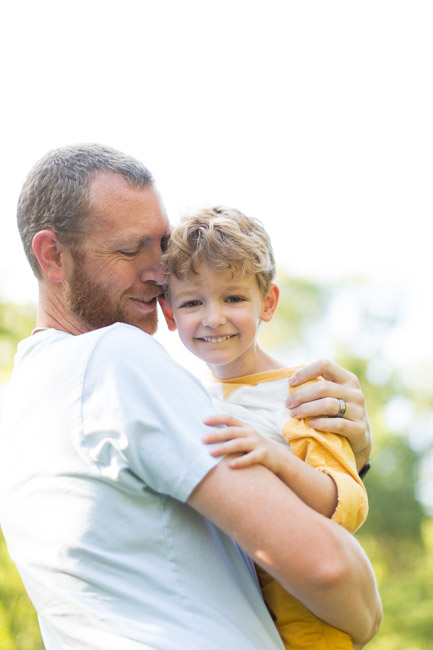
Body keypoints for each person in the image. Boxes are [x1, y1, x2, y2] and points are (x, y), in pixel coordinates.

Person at [0, 144, 381, 650]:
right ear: (52, 256)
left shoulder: (25, 401)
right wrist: (368, 611)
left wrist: (341, 454)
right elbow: (330, 569)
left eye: (160, 244)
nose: (159, 270)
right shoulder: (115, 357)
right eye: (131, 249)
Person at [159, 206, 371, 649]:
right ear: (169, 312)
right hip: (227, 617)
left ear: (267, 302)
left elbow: (346, 505)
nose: (213, 317)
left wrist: (277, 458)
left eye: (233, 298)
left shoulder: (302, 393)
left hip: (308, 625)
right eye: (193, 301)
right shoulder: (183, 396)